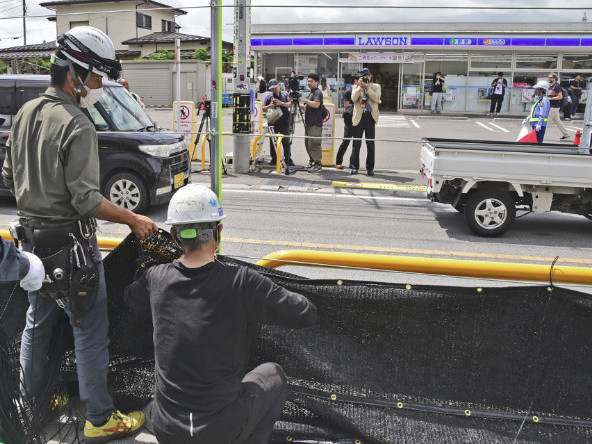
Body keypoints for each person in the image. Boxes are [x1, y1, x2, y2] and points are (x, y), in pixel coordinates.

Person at [2, 26, 157, 442]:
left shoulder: (26, 113)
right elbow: (87, 200)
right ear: (74, 72)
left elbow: (7, 176)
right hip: (72, 249)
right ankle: (100, 417)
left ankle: (29, 404)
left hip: (32, 246)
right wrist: (134, 220)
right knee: (90, 331)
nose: (99, 85)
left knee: (38, 322)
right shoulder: (78, 123)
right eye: (95, 76)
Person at [124, 184, 317, 443]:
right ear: (219, 231)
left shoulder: (155, 278)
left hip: (168, 429)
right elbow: (305, 313)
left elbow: (129, 299)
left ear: (173, 235)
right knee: (274, 374)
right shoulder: (243, 282)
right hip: (220, 430)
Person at [350, 68, 381, 176]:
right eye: (362, 77)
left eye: (366, 76)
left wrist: (368, 88)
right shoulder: (355, 87)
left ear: (370, 76)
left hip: (370, 117)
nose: (364, 78)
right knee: (356, 144)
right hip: (359, 117)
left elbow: (377, 99)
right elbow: (353, 99)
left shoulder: (376, 87)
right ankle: (354, 167)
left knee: (370, 144)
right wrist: (359, 87)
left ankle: (370, 168)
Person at [261, 78, 294, 168]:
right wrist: (269, 106)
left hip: (284, 120)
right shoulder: (269, 96)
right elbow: (262, 108)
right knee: (273, 140)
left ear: (278, 85)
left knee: (285, 140)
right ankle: (274, 158)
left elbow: (291, 104)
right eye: (272, 88)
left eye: (275, 87)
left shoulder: (285, 94)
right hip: (273, 121)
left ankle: (288, 158)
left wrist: (281, 103)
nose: (274, 90)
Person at [299, 73, 324, 173]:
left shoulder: (318, 92)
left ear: (317, 82)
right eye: (308, 81)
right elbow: (306, 107)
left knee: (314, 143)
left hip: (315, 124)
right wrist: (298, 103)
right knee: (308, 144)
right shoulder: (311, 93)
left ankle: (318, 164)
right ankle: (312, 161)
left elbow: (316, 105)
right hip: (309, 123)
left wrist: (304, 99)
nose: (309, 83)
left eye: (311, 81)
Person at [335, 76, 357, 169]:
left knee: (356, 142)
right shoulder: (349, 90)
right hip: (349, 116)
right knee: (346, 140)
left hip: (357, 117)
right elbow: (346, 104)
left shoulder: (360, 90)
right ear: (355, 81)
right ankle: (338, 161)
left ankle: (353, 163)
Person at [523, 80, 550, 144]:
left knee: (538, 142)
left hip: (539, 125)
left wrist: (539, 124)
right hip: (535, 124)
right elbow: (535, 112)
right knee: (535, 142)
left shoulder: (544, 100)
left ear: (541, 90)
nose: (535, 90)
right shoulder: (539, 99)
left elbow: (542, 113)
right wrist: (527, 118)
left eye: (537, 89)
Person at [546, 73, 570, 141]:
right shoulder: (550, 86)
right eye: (548, 77)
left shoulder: (557, 86)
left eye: (550, 77)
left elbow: (560, 96)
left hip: (555, 106)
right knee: (557, 121)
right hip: (551, 105)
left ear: (554, 78)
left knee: (546, 119)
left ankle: (537, 133)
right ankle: (566, 134)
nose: (549, 79)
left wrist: (550, 99)